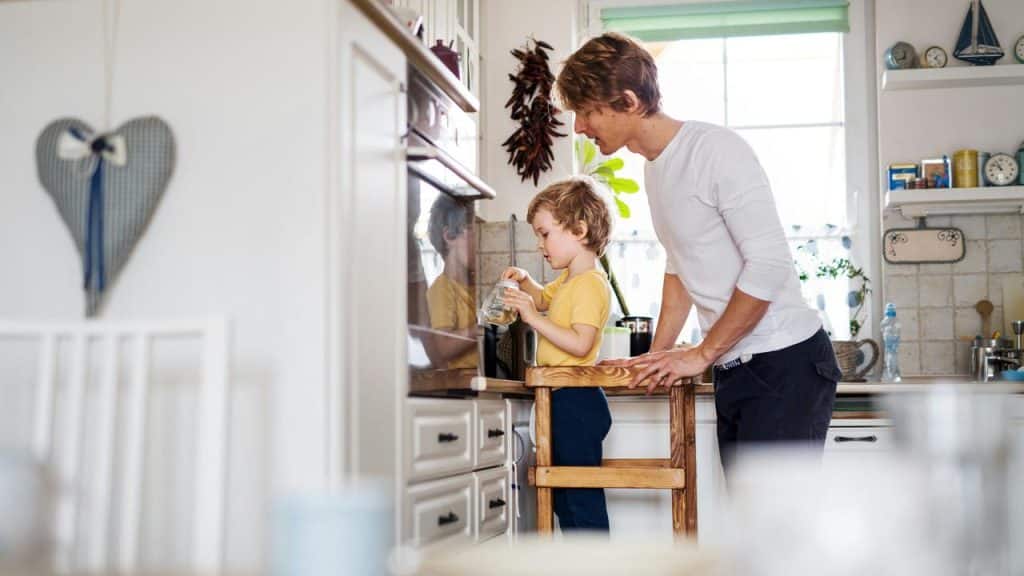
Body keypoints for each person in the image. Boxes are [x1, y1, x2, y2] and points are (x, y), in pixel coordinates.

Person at [556, 32, 841, 470]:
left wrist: (702, 353)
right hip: (737, 366)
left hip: (784, 361)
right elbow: (679, 266)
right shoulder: (656, 170)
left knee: (778, 529)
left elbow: (769, 263)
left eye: (587, 112)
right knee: (753, 522)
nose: (580, 127)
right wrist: (656, 354)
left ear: (629, 102)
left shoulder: (714, 150)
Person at [501, 176, 614, 531]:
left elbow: (580, 344)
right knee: (567, 503)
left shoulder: (591, 284)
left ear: (579, 230)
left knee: (581, 502)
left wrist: (533, 320)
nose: (539, 244)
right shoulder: (568, 281)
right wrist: (524, 281)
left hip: (577, 403)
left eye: (545, 233)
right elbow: (542, 298)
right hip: (563, 401)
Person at [424, 194, 478, 369]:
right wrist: (482, 329)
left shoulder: (475, 287)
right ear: (449, 236)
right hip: (461, 387)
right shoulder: (441, 289)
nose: (480, 240)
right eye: (473, 231)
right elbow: (443, 347)